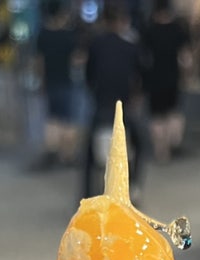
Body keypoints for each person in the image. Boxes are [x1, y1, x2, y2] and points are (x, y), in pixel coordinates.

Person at [83, 0, 145, 199]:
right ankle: (134, 187)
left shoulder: (95, 45)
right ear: (122, 21)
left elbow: (89, 76)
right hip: (124, 109)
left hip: (102, 106)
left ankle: (87, 194)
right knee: (139, 144)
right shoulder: (130, 47)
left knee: (88, 155)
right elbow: (139, 77)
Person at [140, 0, 192, 162]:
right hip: (172, 78)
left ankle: (160, 151)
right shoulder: (178, 30)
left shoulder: (149, 31)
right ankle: (170, 144)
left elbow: (143, 58)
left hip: (154, 79)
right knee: (172, 112)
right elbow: (185, 58)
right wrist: (186, 76)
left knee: (156, 116)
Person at [36, 0, 83, 166]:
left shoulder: (43, 34)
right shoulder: (68, 35)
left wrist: (41, 81)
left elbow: (39, 62)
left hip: (50, 82)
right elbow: (77, 59)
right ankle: (68, 155)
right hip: (66, 81)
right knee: (68, 119)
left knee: (52, 118)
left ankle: (52, 152)